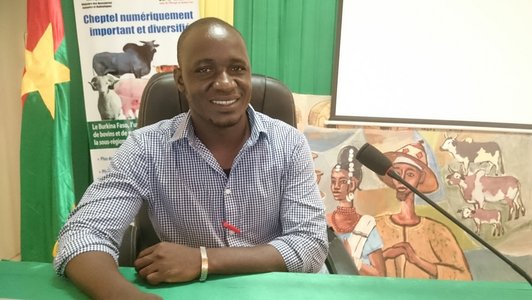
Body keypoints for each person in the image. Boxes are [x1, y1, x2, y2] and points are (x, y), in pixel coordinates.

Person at [54, 17, 328, 299]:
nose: (224, 83)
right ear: (181, 80)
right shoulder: (146, 147)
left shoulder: (288, 142)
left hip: (278, 290)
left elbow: (310, 244)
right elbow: (84, 233)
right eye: (205, 69)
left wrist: (202, 260)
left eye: (237, 68)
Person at [374, 140, 472, 280]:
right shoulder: (377, 226)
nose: (401, 179)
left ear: (421, 178)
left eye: (410, 174)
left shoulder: (436, 231)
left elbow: (464, 277)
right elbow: (355, 268)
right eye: (397, 172)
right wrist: (385, 255)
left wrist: (417, 261)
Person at [326, 146, 385, 276]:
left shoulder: (367, 225)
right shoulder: (324, 222)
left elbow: (380, 274)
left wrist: (352, 260)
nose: (335, 187)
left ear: (352, 184)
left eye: (342, 181)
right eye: (333, 181)